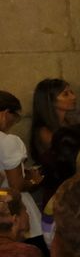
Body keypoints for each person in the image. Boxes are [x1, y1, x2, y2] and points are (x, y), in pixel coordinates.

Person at [0, 90, 42, 242]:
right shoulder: (8, 141)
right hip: (14, 209)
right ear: (5, 113)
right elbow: (15, 185)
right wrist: (32, 181)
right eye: (15, 117)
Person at [31, 77, 78, 163]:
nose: (73, 97)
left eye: (72, 92)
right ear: (50, 100)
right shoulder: (44, 132)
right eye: (66, 94)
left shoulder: (72, 122)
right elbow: (67, 157)